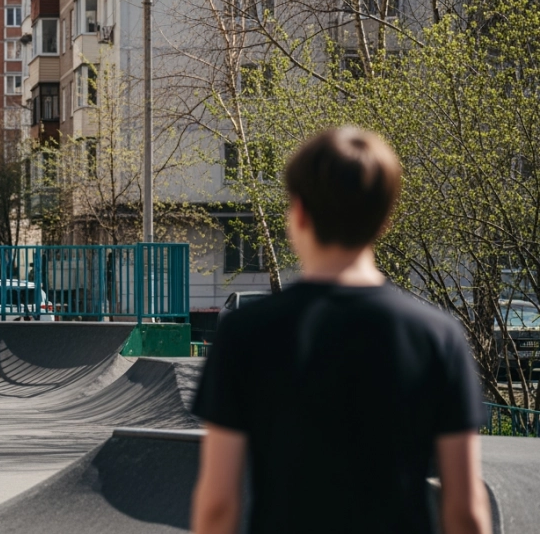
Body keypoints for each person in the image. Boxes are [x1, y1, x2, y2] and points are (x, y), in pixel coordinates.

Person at [191, 127, 490, 534]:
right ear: (385, 220)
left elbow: (218, 504)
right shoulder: (438, 336)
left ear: (298, 213)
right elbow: (465, 510)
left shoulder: (245, 333)